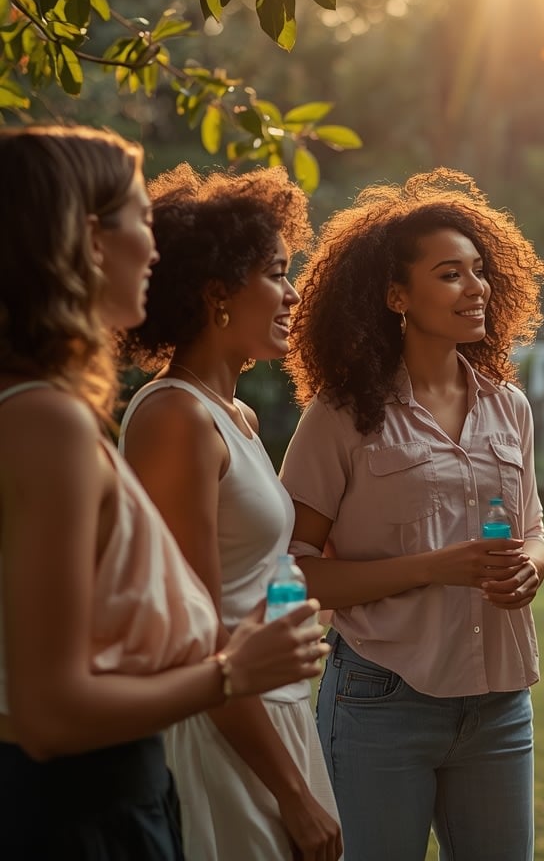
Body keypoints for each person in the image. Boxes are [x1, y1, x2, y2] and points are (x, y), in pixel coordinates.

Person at [0, 125, 328, 859]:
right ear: (85, 240)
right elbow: (48, 713)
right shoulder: (47, 420)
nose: (155, 247)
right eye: (139, 219)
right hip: (80, 812)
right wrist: (231, 672)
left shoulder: (48, 410)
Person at [279, 168, 544, 861]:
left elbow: (534, 526)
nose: (477, 287)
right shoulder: (340, 415)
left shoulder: (508, 407)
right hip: (380, 700)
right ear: (398, 296)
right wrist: (439, 568)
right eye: (450, 274)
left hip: (498, 703)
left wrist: (532, 568)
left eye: (480, 271)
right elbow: (292, 573)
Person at [117, 165, 343, 861]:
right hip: (224, 733)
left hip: (275, 714)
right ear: (218, 293)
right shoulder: (175, 417)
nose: (295, 292)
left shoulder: (234, 414)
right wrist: (293, 795)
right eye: (277, 273)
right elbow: (198, 634)